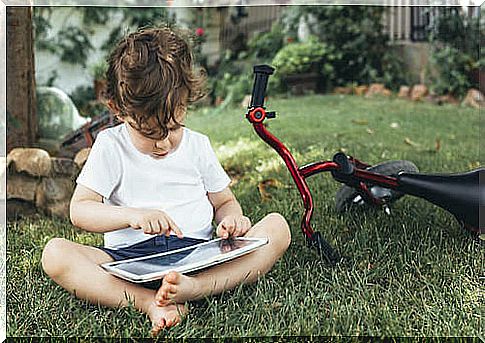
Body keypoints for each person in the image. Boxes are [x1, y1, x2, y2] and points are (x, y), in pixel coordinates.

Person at [41, 26, 291, 336]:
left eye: (173, 127)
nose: (163, 144)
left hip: (199, 254)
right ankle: (150, 302)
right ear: (119, 111)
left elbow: (224, 202)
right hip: (130, 263)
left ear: (186, 104)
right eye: (148, 133)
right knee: (55, 254)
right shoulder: (110, 145)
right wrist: (131, 216)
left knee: (277, 227)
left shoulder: (198, 145)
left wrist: (232, 220)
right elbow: (80, 210)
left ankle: (194, 288)